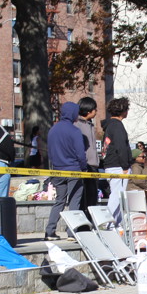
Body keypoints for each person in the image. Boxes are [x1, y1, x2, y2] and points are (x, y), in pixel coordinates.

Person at [44, 101, 88, 240]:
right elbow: (80, 154)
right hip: (74, 170)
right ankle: (71, 232)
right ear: (73, 113)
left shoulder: (52, 130)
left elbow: (50, 152)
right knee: (74, 201)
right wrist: (84, 168)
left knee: (59, 201)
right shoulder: (75, 131)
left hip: (57, 170)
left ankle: (50, 231)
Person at [74, 97, 99, 210]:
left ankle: (90, 218)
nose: (96, 112)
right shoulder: (77, 125)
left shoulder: (90, 125)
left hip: (94, 165)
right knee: (84, 197)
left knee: (93, 197)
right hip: (84, 165)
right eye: (95, 109)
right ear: (88, 110)